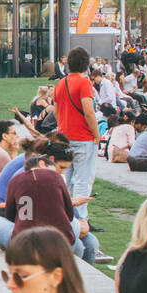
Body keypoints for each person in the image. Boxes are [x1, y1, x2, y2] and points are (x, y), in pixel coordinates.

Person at [0, 142, 101, 265]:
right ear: (43, 163)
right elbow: (70, 215)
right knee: (77, 236)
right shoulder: (56, 178)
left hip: (24, 240)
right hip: (56, 240)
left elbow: (10, 215)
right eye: (61, 168)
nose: (62, 172)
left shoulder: (17, 179)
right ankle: (72, 272)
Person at [53, 46, 101, 221]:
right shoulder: (84, 83)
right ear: (86, 65)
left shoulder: (61, 83)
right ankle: (81, 218)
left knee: (66, 177)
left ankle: (62, 213)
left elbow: (56, 112)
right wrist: (97, 135)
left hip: (64, 136)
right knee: (83, 180)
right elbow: (89, 111)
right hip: (83, 137)